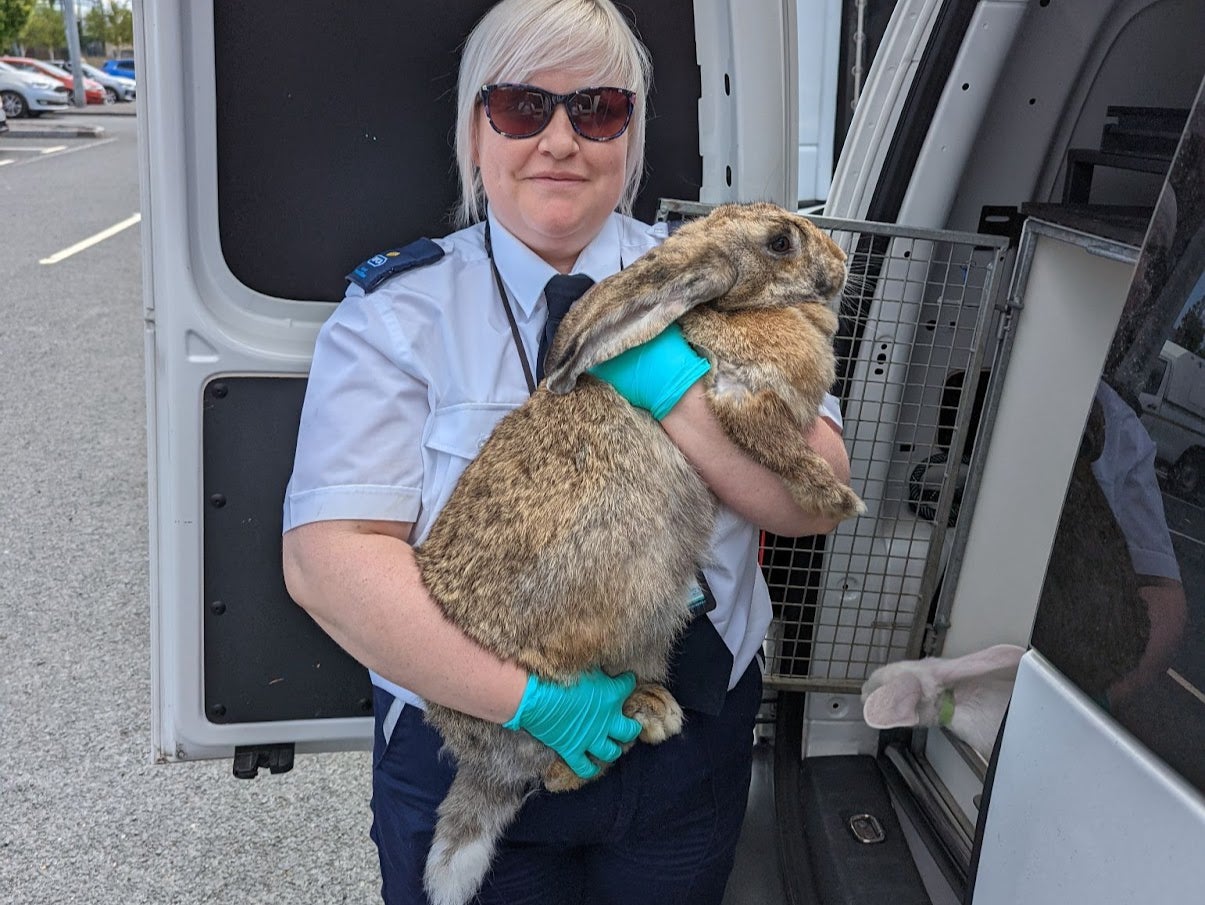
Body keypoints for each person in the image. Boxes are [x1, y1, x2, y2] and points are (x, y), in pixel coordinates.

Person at [281, 1, 852, 902]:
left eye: (596, 110)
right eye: (520, 107)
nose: (559, 139)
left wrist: (669, 384)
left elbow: (812, 502)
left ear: (629, 133)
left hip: (689, 735)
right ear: (476, 131)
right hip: (481, 730)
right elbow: (329, 557)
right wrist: (524, 702)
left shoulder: (714, 272)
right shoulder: (399, 312)